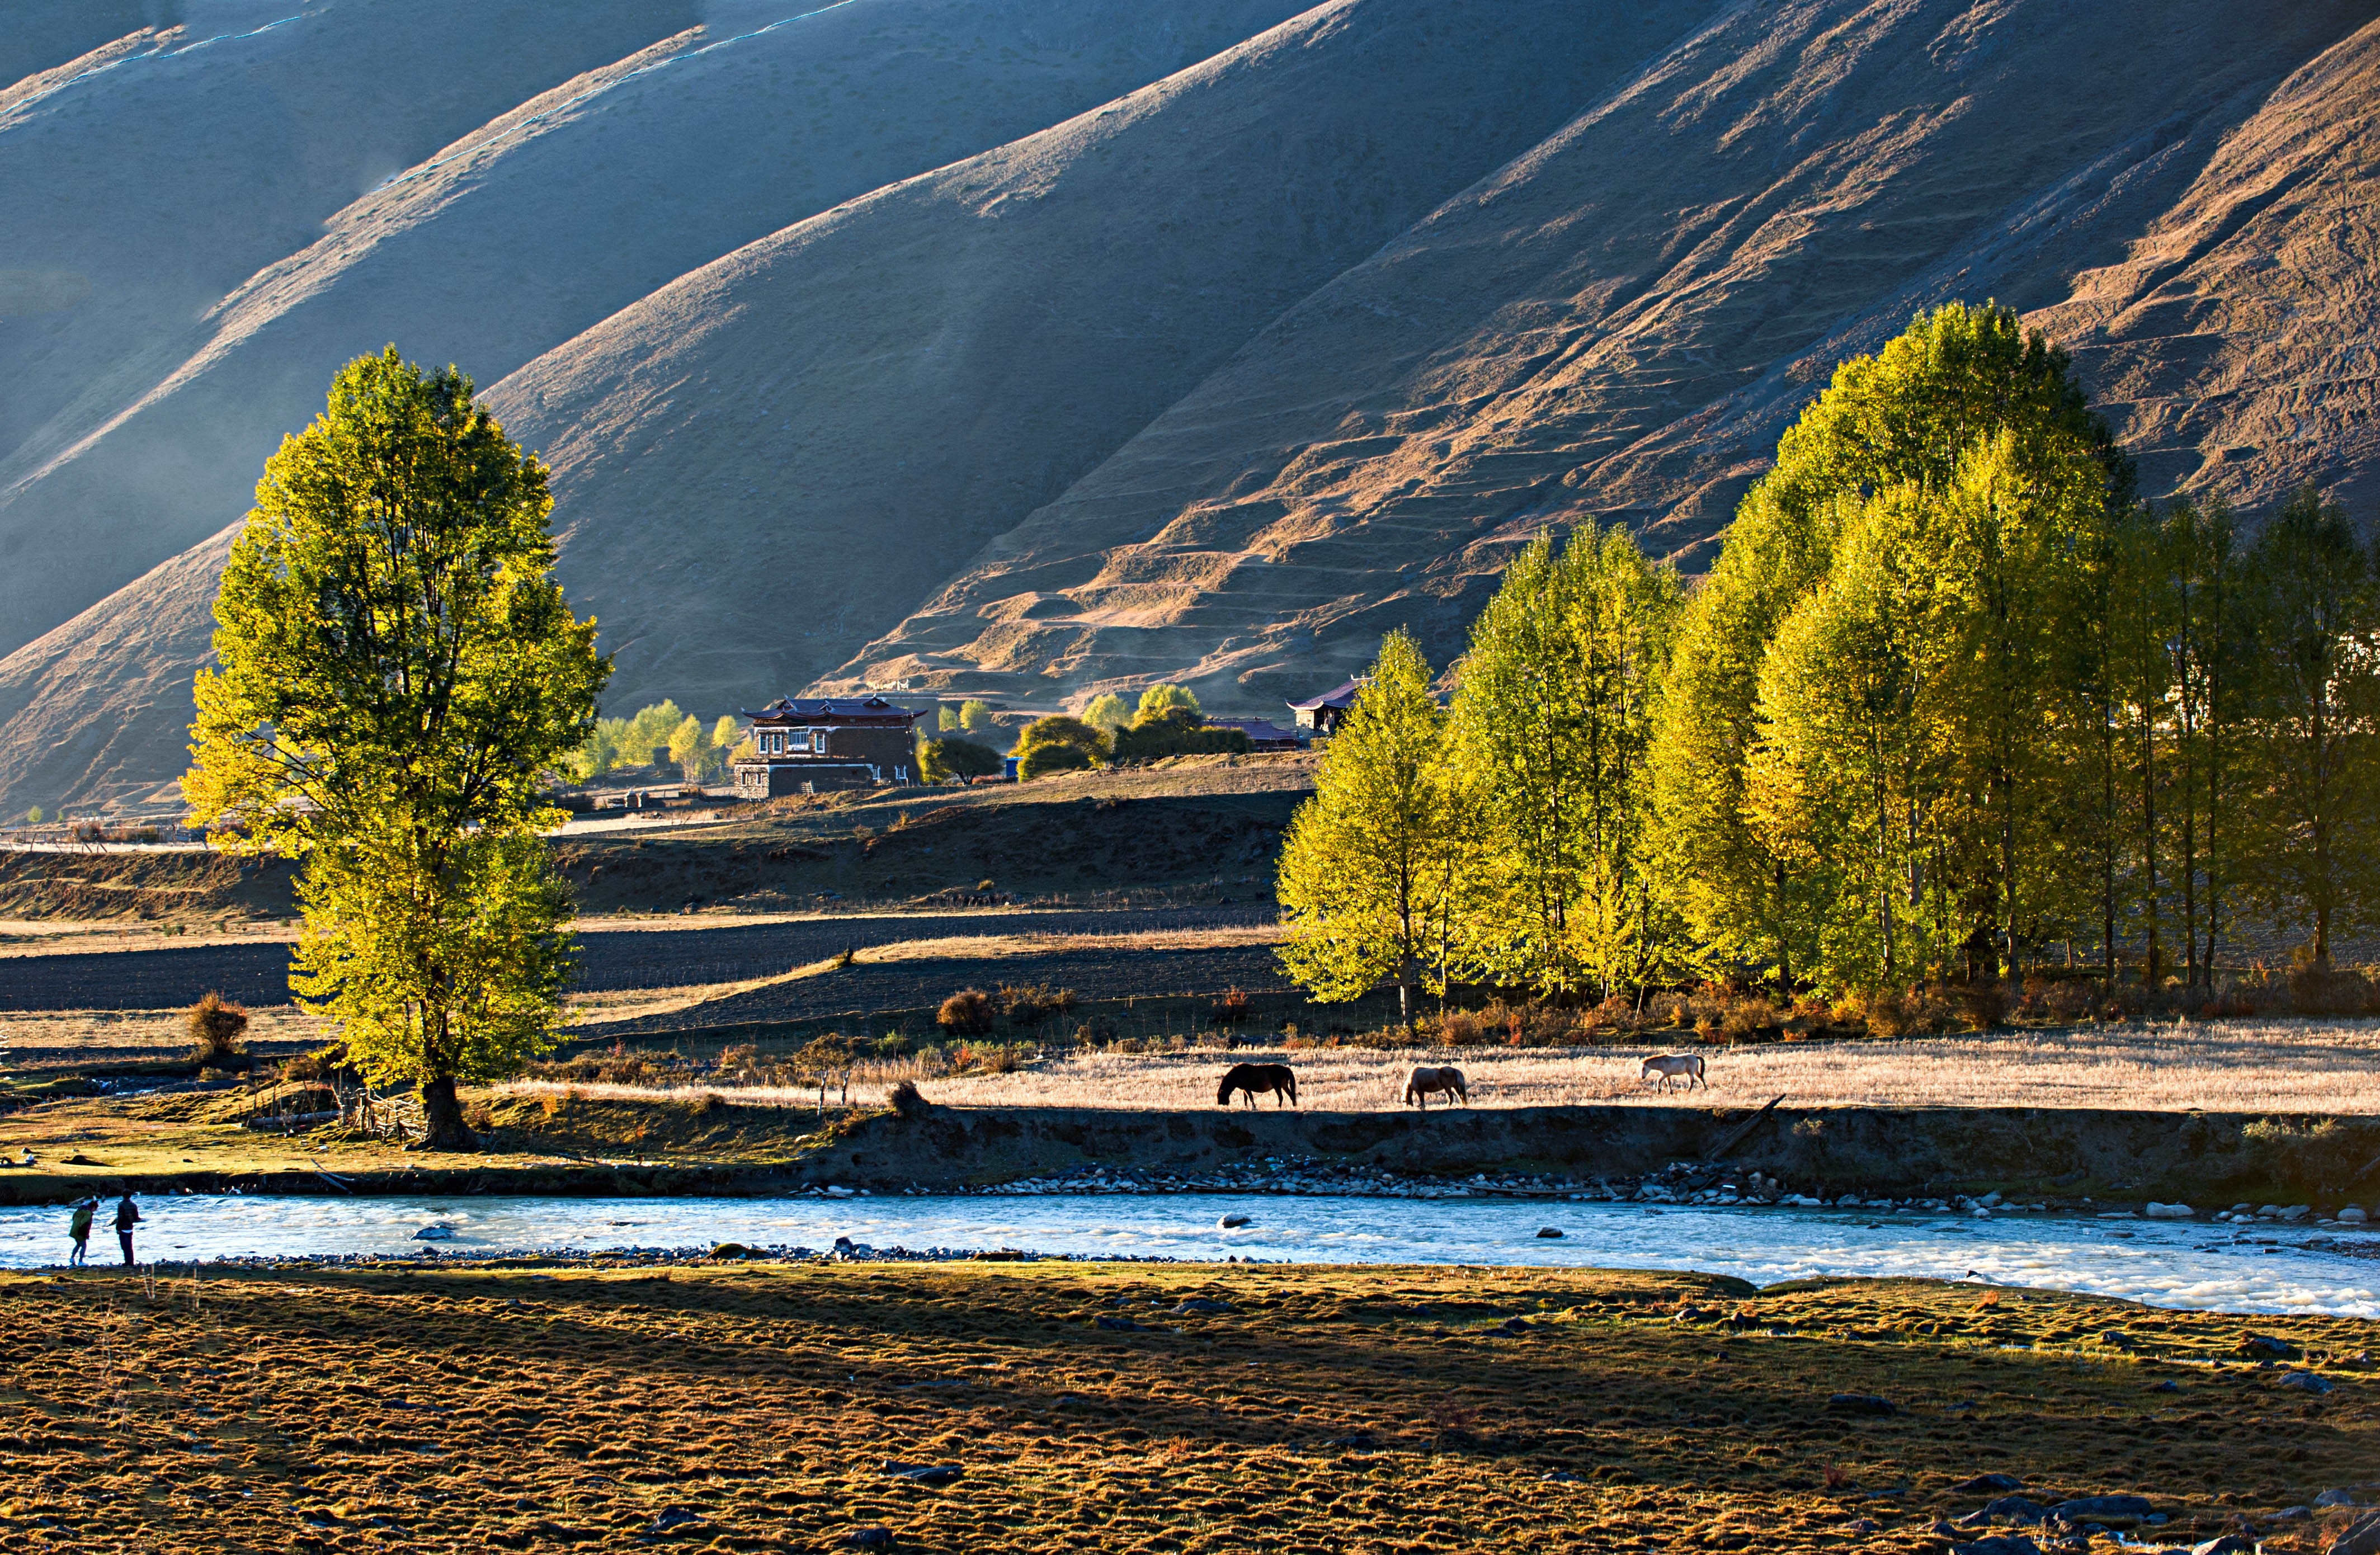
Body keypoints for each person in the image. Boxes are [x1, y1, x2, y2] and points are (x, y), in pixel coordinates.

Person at [113, 1193, 142, 1267]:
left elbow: (120, 1218)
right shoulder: (134, 1205)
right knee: (129, 1246)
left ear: (123, 1196)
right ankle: (131, 1262)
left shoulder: (121, 1205)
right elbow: (136, 1218)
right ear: (130, 1196)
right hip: (130, 1227)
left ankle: (127, 1262)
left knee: (124, 1247)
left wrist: (118, 1228)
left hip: (123, 1228)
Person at [68, 1198, 95, 1266]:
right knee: (84, 1246)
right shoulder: (88, 1213)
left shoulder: (80, 1210)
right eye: (96, 1209)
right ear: (94, 1207)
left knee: (78, 1245)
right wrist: (86, 1234)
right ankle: (80, 1262)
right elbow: (84, 1223)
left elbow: (73, 1218)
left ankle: (72, 1258)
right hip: (80, 1232)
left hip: (74, 1230)